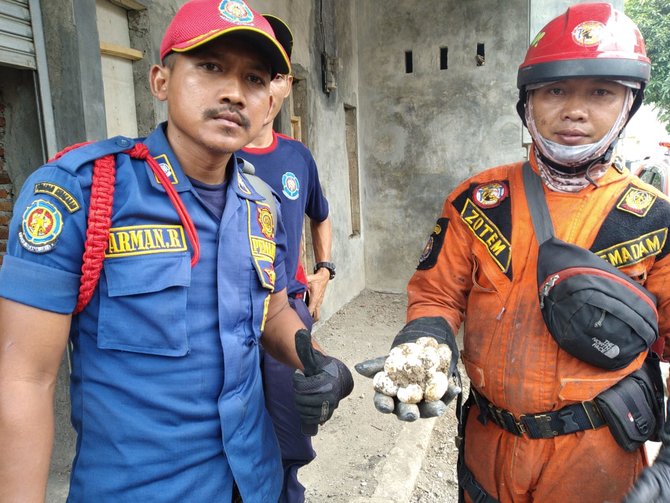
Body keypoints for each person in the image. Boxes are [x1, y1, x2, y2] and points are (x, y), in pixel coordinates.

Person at [0, 1, 353, 502]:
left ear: (269, 101)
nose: (234, 92)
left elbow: (274, 314)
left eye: (254, 78)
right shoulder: (85, 192)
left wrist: (315, 361)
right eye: (210, 67)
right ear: (160, 81)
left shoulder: (262, 204)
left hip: (253, 480)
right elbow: (24, 378)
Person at [358, 3, 670, 502]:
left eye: (601, 93)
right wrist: (426, 344)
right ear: (526, 103)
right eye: (554, 91)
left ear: (628, 103)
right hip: (488, 445)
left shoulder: (654, 220)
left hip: (595, 460)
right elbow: (437, 294)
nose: (575, 110)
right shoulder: (478, 201)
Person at [237, 14, 333, 503]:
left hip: (284, 307)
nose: (249, 90)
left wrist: (324, 273)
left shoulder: (297, 158)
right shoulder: (209, 159)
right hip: (228, 321)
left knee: (289, 432)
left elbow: (322, 216)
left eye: (264, 75)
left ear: (285, 84)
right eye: (217, 69)